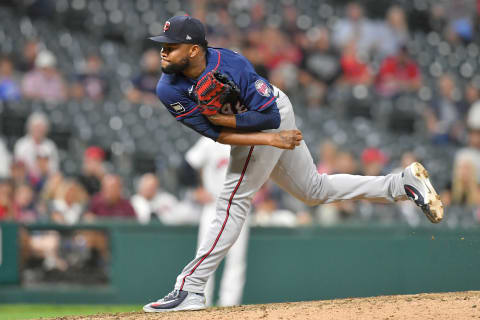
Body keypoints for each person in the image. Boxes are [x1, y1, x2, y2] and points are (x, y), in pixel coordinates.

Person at [143, 16, 444, 312]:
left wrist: (266, 135)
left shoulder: (231, 64)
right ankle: (401, 184)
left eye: (171, 46)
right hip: (254, 132)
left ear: (194, 49)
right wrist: (269, 140)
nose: (163, 51)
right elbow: (217, 134)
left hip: (271, 112)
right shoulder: (168, 89)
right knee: (314, 189)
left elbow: (269, 118)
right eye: (163, 45)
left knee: (232, 202)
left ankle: (190, 287)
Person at [185, 136, 249, 307]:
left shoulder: (249, 140)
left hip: (239, 205)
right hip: (214, 206)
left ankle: (230, 305)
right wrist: (196, 189)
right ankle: (199, 301)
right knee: (205, 256)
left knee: (236, 259)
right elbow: (187, 165)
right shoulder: (210, 140)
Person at [14, 112, 59, 180]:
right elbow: (18, 166)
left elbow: (54, 167)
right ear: (30, 128)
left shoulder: (50, 146)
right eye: (36, 127)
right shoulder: (21, 144)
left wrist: (44, 168)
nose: (38, 130)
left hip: (45, 179)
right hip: (26, 179)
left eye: (41, 127)